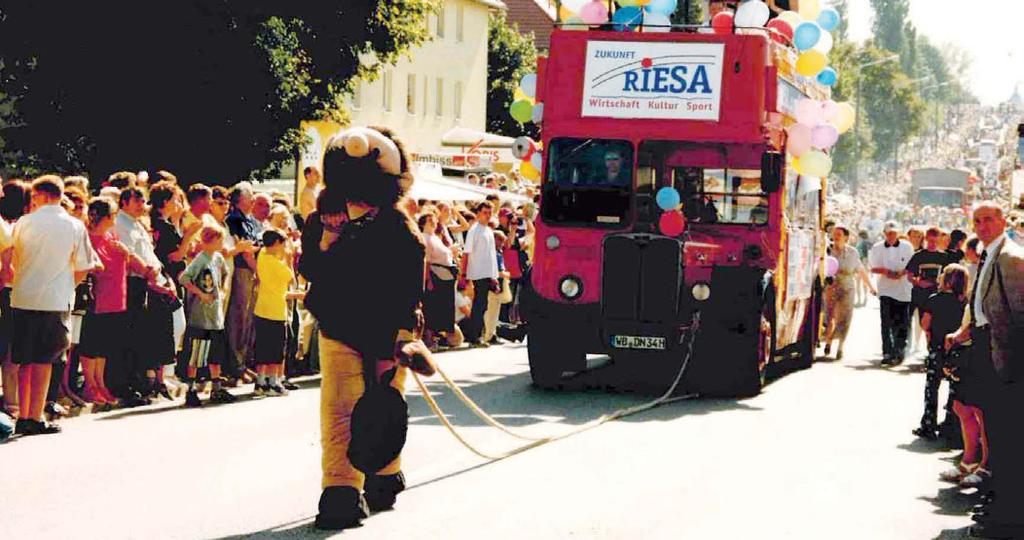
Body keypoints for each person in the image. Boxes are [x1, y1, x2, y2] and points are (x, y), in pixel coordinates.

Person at [298, 126, 427, 530]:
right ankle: (340, 489)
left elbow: (410, 286)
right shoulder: (323, 220)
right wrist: (328, 238)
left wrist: (405, 335)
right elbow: (310, 271)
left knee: (385, 405)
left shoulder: (400, 228)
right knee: (341, 405)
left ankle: (384, 474)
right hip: (339, 325)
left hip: (387, 331)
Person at [946, 203, 1024, 539]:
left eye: (989, 219)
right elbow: (981, 305)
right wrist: (964, 333)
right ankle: (998, 504)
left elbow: (1020, 316)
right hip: (986, 348)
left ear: (1003, 221)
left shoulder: (1011, 258)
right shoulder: (990, 253)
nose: (982, 225)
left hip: (1005, 358)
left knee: (1006, 435)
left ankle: (1006, 514)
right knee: (994, 427)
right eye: (977, 221)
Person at [11, 176, 98, 436]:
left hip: (23, 296)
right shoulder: (73, 226)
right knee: (45, 361)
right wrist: (67, 284)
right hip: (55, 298)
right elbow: (84, 265)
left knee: (25, 360)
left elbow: (14, 257)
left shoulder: (24, 223)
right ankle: (35, 416)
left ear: (40, 195)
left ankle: (23, 413)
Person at [78, 198, 159, 405]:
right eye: (113, 215)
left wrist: (127, 254)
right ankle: (91, 385)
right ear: (104, 216)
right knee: (92, 342)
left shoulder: (111, 235)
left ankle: (101, 383)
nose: (115, 219)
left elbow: (128, 257)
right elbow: (94, 267)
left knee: (105, 343)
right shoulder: (88, 237)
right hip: (99, 296)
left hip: (116, 296)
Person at [178, 225, 234, 407]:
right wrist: (200, 294)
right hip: (201, 316)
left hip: (215, 315)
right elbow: (184, 278)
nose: (221, 244)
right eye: (219, 240)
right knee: (197, 354)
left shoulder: (217, 258)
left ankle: (216, 387)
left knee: (216, 354)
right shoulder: (200, 260)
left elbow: (225, 273)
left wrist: (224, 290)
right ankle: (191, 389)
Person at [914, 264, 968, 441]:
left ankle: (928, 423)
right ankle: (950, 426)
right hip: (956, 350)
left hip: (937, 348)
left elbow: (925, 324)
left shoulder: (934, 299)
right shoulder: (964, 302)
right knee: (954, 389)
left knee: (932, 387)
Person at [253, 229, 303, 398]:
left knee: (262, 348)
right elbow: (290, 277)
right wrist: (288, 258)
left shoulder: (262, 256)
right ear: (276, 244)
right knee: (275, 349)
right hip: (275, 311)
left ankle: (261, 381)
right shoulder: (275, 263)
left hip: (261, 308)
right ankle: (273, 381)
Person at [821, 225, 876, 360]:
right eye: (835, 234)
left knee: (845, 317)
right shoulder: (827, 251)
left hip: (847, 287)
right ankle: (828, 341)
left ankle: (840, 346)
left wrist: (870, 287)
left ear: (846, 237)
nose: (836, 236)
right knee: (830, 315)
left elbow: (860, 270)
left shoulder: (853, 253)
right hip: (831, 287)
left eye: (839, 234)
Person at [225, 182, 262, 380]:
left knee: (249, 320)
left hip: (253, 271)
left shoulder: (250, 220)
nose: (253, 198)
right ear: (240, 199)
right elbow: (245, 249)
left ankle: (244, 362)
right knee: (238, 319)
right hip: (243, 271)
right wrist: (259, 271)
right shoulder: (234, 219)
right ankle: (235, 364)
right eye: (250, 195)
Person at [868, 220, 915, 366]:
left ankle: (899, 350)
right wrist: (886, 271)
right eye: (889, 233)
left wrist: (902, 272)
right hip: (886, 289)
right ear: (884, 234)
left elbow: (912, 265)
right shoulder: (877, 247)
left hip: (903, 290)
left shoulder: (907, 247)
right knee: (886, 322)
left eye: (894, 233)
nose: (891, 236)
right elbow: (873, 267)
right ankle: (887, 352)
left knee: (902, 322)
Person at [459, 201, 498, 347]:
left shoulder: (488, 230)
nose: (487, 216)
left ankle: (477, 335)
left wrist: (494, 276)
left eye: (490, 213)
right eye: (485, 213)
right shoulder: (474, 230)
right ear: (478, 213)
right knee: (479, 305)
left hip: (487, 273)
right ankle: (474, 336)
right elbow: (466, 253)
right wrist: (464, 274)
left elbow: (491, 256)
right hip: (477, 273)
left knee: (483, 305)